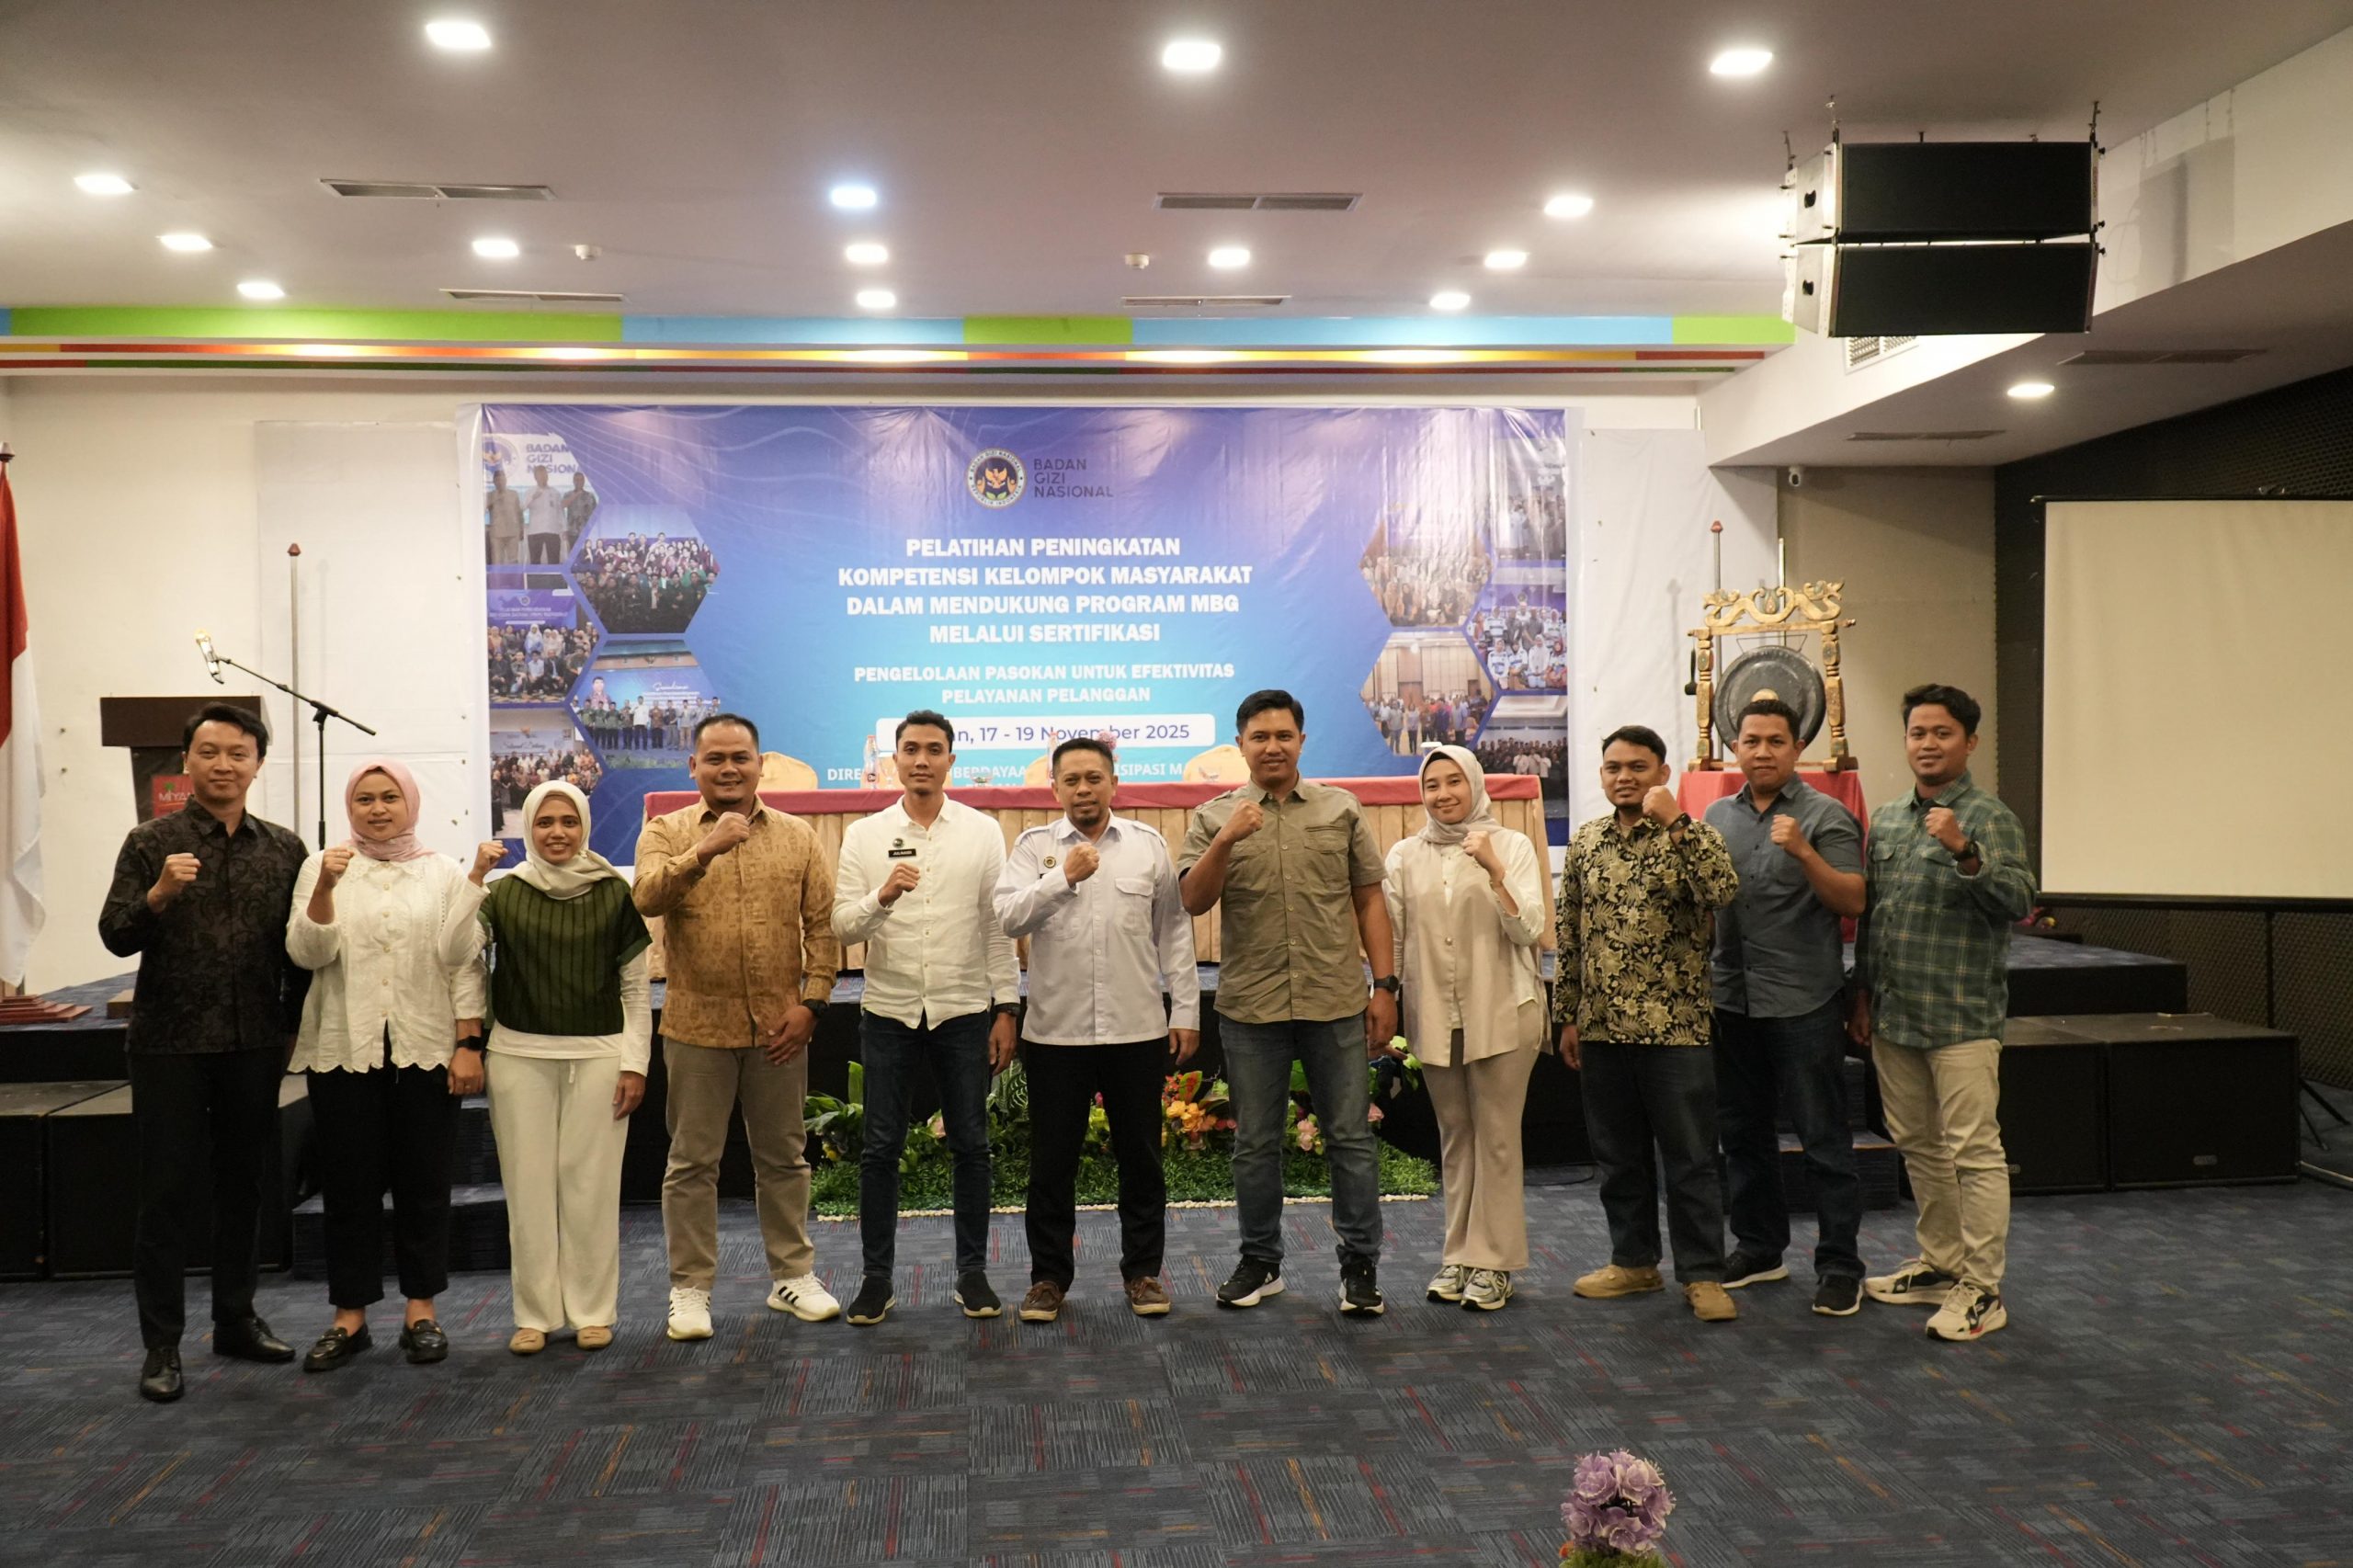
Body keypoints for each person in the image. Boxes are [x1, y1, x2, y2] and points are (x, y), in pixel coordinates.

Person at [98, 702, 310, 1402]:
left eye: (238, 754)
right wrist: (159, 894)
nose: (224, 765)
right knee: (165, 1194)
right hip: (170, 1044)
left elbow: (300, 951)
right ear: (186, 760)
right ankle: (161, 1344)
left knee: (244, 1187)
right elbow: (115, 935)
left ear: (258, 764)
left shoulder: (285, 849)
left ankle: (235, 1320)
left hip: (254, 1042)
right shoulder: (149, 841)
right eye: (210, 752)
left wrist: (294, 1028)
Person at [1179, 689, 1400, 1315]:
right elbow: (1193, 900)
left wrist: (1385, 986)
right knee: (1254, 1144)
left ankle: (1360, 1267)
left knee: (1350, 1139)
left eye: (1283, 735)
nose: (1272, 746)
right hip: (1252, 1008)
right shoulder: (1214, 816)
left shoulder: (1340, 808)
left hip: (1335, 1001)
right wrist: (1226, 840)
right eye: (1259, 737)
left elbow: (1369, 899)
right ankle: (1260, 1261)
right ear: (1241, 745)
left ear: (1302, 741)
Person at [634, 713, 843, 1340]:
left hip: (780, 1027)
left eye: (740, 758)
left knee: (783, 1158)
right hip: (697, 1026)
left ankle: (792, 1275)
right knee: (692, 1163)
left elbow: (822, 926)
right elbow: (645, 898)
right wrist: (704, 851)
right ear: (693, 767)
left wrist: (813, 1003)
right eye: (715, 759)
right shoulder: (666, 831)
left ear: (759, 765)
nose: (729, 769)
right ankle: (690, 1289)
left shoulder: (798, 836)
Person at [286, 761, 488, 1371]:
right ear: (351, 807)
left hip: (425, 1045)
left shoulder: (442, 872)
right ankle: (349, 1317)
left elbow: (463, 962)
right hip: (343, 1049)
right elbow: (307, 952)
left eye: (389, 797)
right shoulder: (322, 866)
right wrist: (326, 887)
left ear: (411, 803)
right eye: (365, 799)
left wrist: (468, 1042)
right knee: (349, 1188)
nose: (377, 809)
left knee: (424, 1184)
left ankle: (421, 1310)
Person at [1850, 683, 2037, 1343]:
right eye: (1917, 733)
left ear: (1970, 742)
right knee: (1919, 1147)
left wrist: (1964, 850)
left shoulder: (1989, 817)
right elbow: (1874, 917)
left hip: (1961, 1016)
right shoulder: (1889, 819)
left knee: (1975, 1154)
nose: (1927, 744)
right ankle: (1941, 1264)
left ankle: (1983, 1288)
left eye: (1942, 733)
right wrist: (1863, 993)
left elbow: (2020, 901)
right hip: (1895, 1013)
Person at [995, 736, 1200, 1323]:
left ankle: (1143, 1273)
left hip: (1136, 1029)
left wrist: (1185, 1009)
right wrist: (1062, 878)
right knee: (1051, 1164)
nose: (1083, 790)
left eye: (1094, 778)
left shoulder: (1146, 845)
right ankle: (1047, 1279)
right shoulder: (1034, 847)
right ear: (1054, 789)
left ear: (1114, 782)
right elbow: (1007, 916)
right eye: (1072, 781)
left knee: (1142, 1161)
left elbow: (1174, 932)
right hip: (1055, 1035)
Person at [447, 781, 652, 1355]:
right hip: (518, 1058)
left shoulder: (614, 891)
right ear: (528, 829)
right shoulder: (502, 890)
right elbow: (452, 952)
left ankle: (592, 1311)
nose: (557, 833)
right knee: (528, 1192)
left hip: (600, 1057)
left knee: (591, 1191)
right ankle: (534, 1314)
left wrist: (635, 1064)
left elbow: (636, 990)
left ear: (584, 826)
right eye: (544, 822)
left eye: (568, 822)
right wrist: (472, 879)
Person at [832, 710, 1019, 1326]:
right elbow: (843, 926)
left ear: (950, 761)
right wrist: (883, 896)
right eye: (910, 749)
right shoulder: (864, 835)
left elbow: (996, 928)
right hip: (889, 1012)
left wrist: (1007, 1007)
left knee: (972, 1146)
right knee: (880, 1149)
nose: (921, 760)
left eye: (933, 750)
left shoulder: (983, 832)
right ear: (895, 759)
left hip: (963, 1011)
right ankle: (876, 1280)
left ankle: (973, 1274)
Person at [1554, 724, 1742, 1324]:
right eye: (1614, 768)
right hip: (1603, 1028)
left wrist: (1678, 824)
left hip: (1675, 1030)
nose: (1624, 777)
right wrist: (1567, 1015)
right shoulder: (1587, 843)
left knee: (1690, 1160)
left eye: (1637, 767)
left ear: (1662, 773)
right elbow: (1569, 933)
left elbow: (1723, 890)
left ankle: (1703, 1274)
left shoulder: (1692, 835)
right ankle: (1634, 1262)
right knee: (1619, 1159)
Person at [1703, 699, 1868, 1317]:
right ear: (1736, 749)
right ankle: (1760, 1248)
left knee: (1824, 1142)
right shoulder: (1717, 817)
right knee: (1743, 1136)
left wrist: (1804, 852)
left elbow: (1852, 901)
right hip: (1732, 1000)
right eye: (1752, 741)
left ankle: (1840, 1266)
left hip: (1803, 1003)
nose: (1763, 751)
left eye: (1776, 741)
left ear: (1798, 749)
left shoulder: (1825, 816)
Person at [1383, 745, 1546, 1311]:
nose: (1444, 794)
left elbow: (1530, 930)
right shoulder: (1405, 855)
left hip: (1504, 1008)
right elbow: (1396, 938)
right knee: (1455, 1136)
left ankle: (1495, 1263)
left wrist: (1495, 870)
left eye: (1455, 781)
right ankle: (1459, 1255)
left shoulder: (1511, 845)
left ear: (1475, 784)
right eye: (1433, 785)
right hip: (1435, 1012)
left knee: (1497, 1137)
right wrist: (1386, 996)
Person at [523, 464, 567, 565]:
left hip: (553, 530)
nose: (543, 477)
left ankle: (553, 576)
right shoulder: (530, 491)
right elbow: (523, 507)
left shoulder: (555, 492)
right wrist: (533, 497)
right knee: (535, 562)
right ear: (535, 477)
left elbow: (560, 511)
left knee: (554, 561)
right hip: (535, 531)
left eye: (545, 474)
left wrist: (564, 528)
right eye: (540, 475)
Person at [485, 468, 524, 565]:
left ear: (506, 480)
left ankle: (514, 576)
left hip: (512, 532)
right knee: (497, 561)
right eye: (497, 480)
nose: (500, 482)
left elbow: (519, 512)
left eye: (502, 479)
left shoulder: (514, 494)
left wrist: (522, 529)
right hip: (497, 534)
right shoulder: (490, 495)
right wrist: (496, 499)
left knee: (513, 560)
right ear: (494, 482)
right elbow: (483, 509)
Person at [563, 470, 597, 554]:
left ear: (584, 481)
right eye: (577, 480)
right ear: (573, 481)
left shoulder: (590, 496)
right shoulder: (567, 495)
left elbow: (595, 515)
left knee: (586, 555)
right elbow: (562, 507)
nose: (579, 482)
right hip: (572, 532)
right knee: (573, 555)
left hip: (587, 532)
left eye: (581, 480)